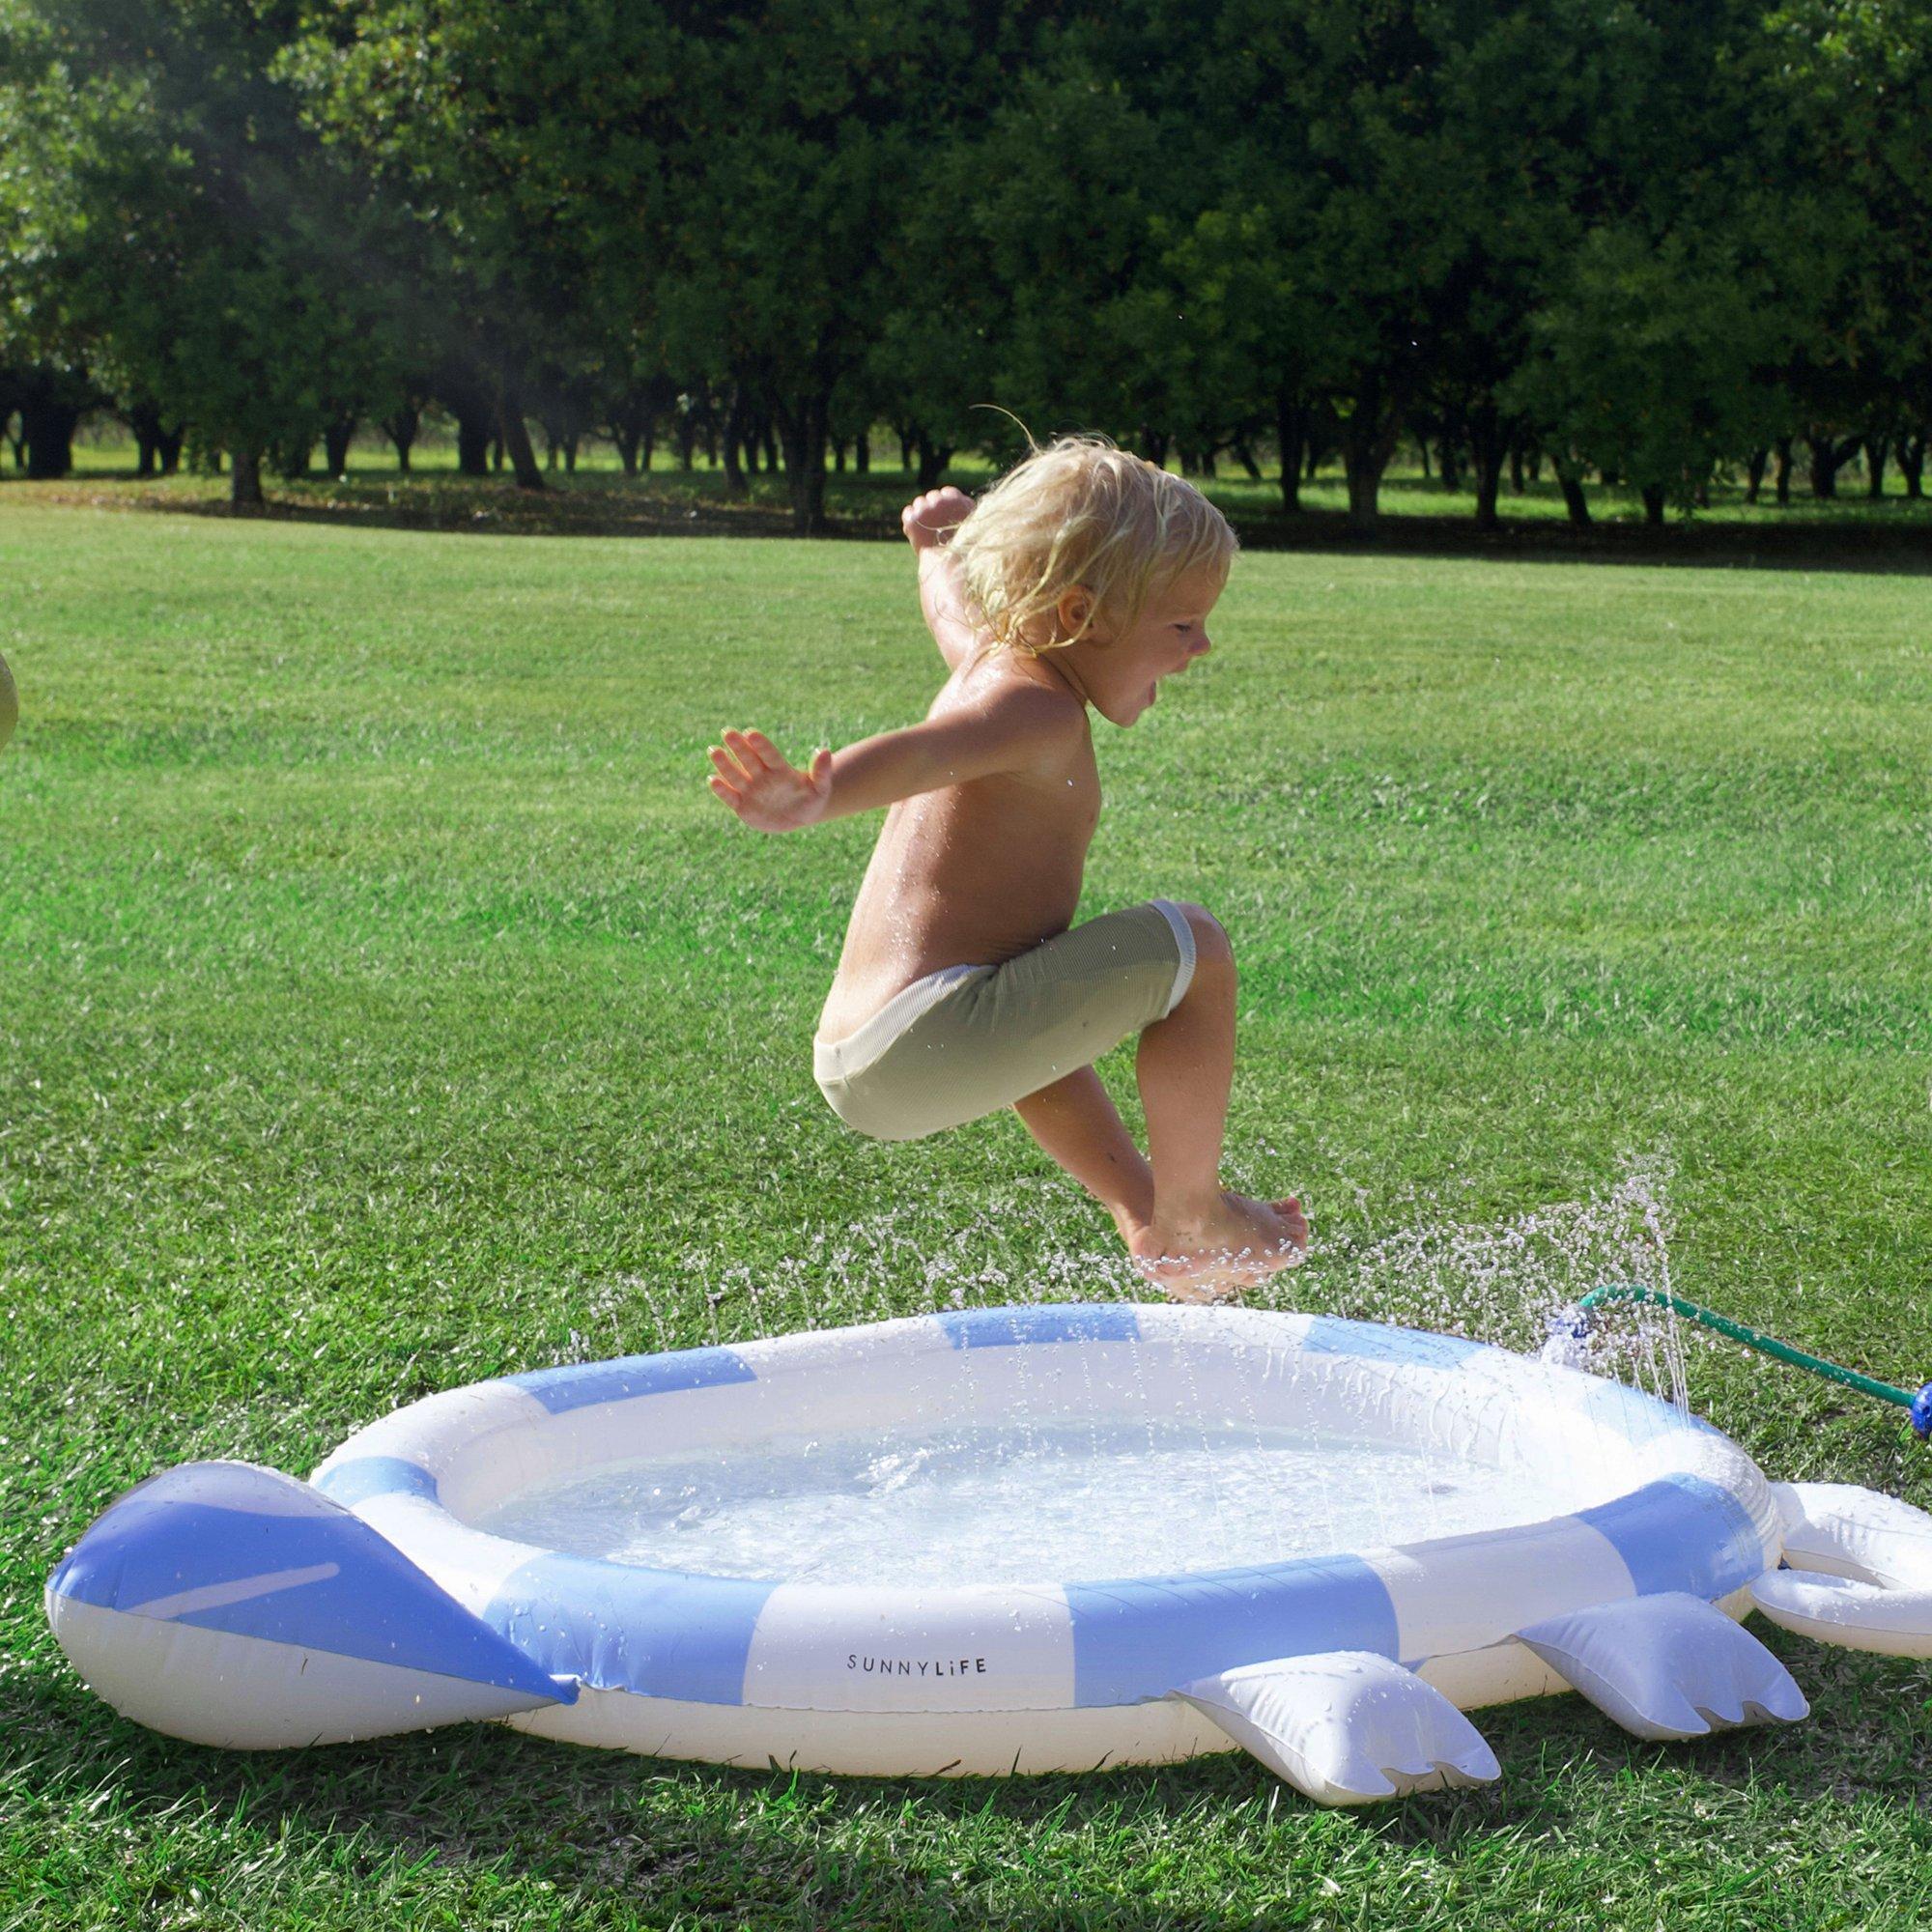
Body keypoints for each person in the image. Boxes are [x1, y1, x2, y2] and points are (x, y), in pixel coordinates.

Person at [705, 436, 1306, 1298]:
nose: (1201, 646)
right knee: (1196, 950)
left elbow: (953, 614)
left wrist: (935, 551)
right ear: (1074, 615)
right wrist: (818, 796)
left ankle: (1147, 1219)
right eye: (1179, 624)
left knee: (1040, 1004)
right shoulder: (1034, 709)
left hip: (870, 1051)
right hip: (924, 1032)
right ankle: (1192, 1216)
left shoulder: (1000, 666)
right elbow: (925, 754)